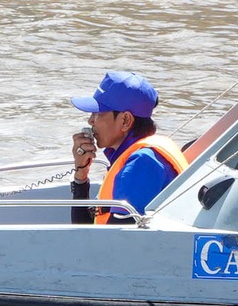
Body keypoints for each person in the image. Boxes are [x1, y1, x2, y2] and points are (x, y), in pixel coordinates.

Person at [69, 71, 186, 226]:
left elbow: (113, 243)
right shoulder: (134, 156)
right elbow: (85, 228)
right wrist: (81, 176)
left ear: (125, 120)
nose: (90, 120)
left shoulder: (142, 163)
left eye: (98, 113)